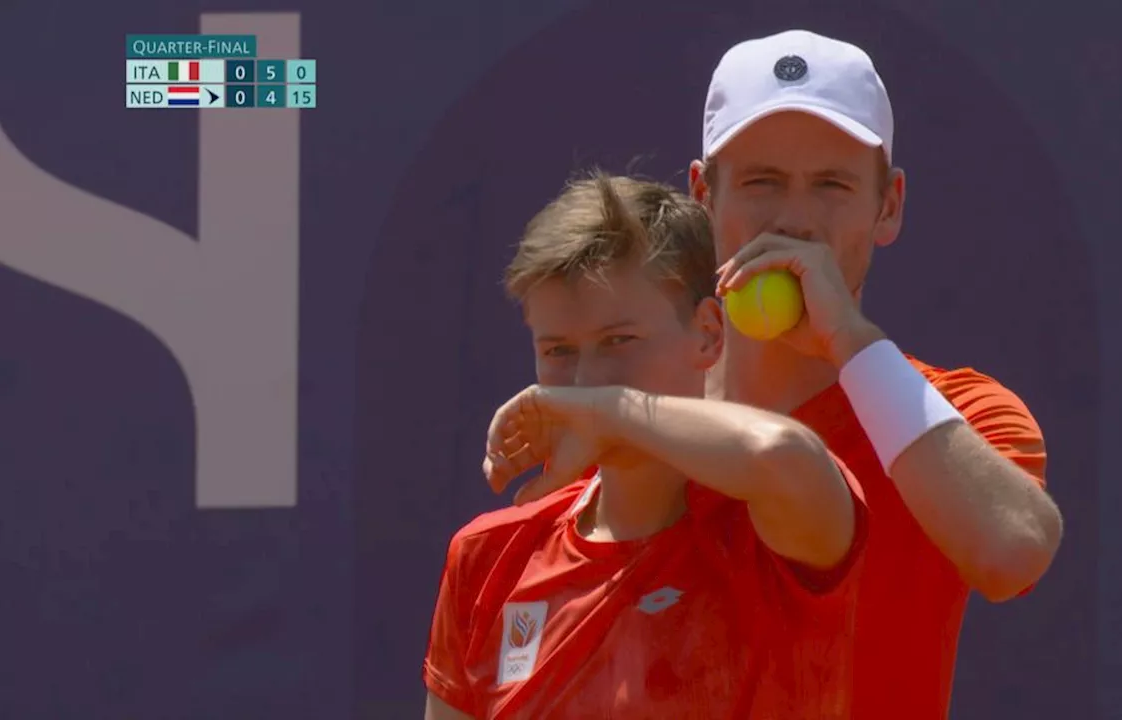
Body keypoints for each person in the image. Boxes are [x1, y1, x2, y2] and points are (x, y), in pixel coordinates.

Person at [688, 30, 1065, 719]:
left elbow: (1011, 552)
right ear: (702, 196)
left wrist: (850, 343)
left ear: (888, 205)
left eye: (831, 185)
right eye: (761, 181)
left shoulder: (960, 412)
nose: (795, 218)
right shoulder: (642, 418)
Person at [422, 173, 869, 719]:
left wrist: (611, 411)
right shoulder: (487, 557)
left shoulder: (773, 532)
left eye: (619, 341)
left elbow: (782, 455)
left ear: (708, 333)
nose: (587, 381)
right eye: (559, 351)